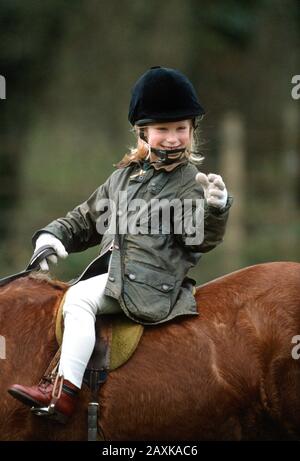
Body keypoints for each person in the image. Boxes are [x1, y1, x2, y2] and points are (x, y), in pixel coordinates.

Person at [8, 66, 233, 422]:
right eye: (163, 130)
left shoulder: (192, 184)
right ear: (142, 132)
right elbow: (85, 220)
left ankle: (64, 394)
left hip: (151, 284)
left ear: (192, 131)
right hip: (115, 275)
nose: (173, 138)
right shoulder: (123, 179)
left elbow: (198, 240)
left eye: (180, 130)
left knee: (77, 299)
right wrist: (52, 235)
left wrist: (214, 209)